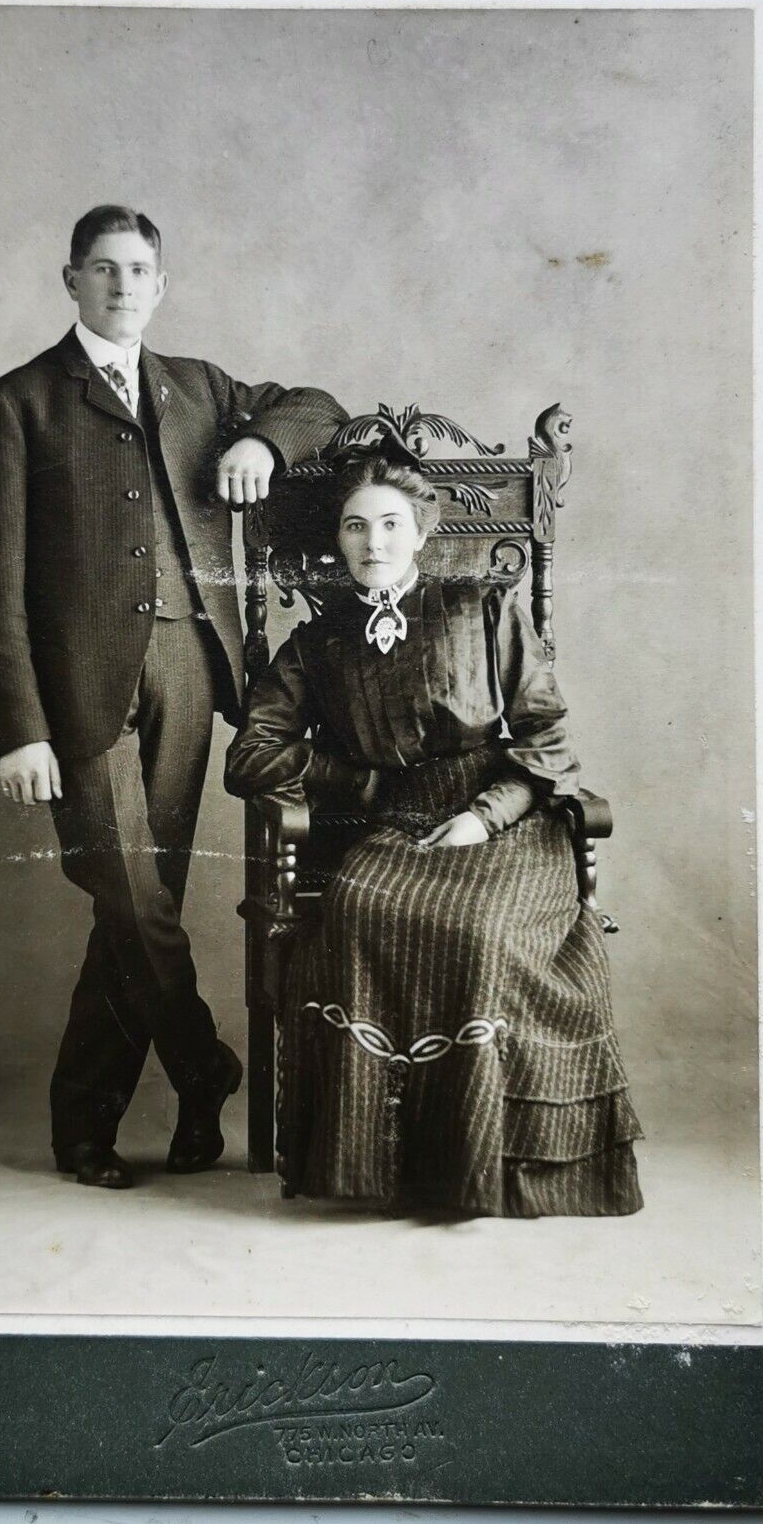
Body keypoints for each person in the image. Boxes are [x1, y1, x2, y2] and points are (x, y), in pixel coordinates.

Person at [0, 204, 345, 1190]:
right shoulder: (18, 404)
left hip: (186, 670)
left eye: (137, 271)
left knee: (136, 907)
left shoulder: (202, 389)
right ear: (69, 280)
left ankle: (82, 1130)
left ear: (161, 284)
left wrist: (259, 443)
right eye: (101, 270)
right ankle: (201, 1064)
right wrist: (16, 733)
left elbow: (318, 405)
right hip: (76, 693)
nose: (121, 288)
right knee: (130, 897)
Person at [224, 454, 644, 1217]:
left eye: (390, 524)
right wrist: (367, 786)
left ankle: (477, 1164)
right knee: (356, 906)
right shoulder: (318, 645)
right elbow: (251, 753)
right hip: (398, 818)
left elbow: (547, 734)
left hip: (508, 815)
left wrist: (483, 816)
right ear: (338, 540)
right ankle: (379, 1167)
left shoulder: (481, 606)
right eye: (356, 526)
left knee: (478, 929)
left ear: (421, 534)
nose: (372, 542)